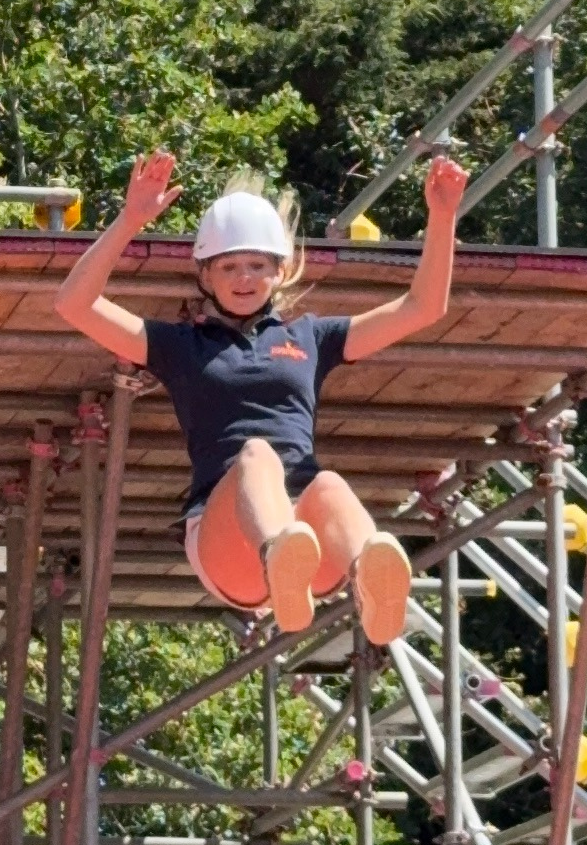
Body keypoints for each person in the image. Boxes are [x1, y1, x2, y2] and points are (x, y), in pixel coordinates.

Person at [53, 148, 465, 640]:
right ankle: (279, 556)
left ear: (279, 271)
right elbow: (74, 304)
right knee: (256, 455)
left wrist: (442, 218)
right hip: (227, 540)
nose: (244, 278)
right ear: (204, 275)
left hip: (313, 537)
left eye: (255, 265)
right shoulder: (178, 345)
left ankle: (369, 578)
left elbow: (422, 308)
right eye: (228, 267)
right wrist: (130, 219)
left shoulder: (311, 337)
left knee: (328, 482)